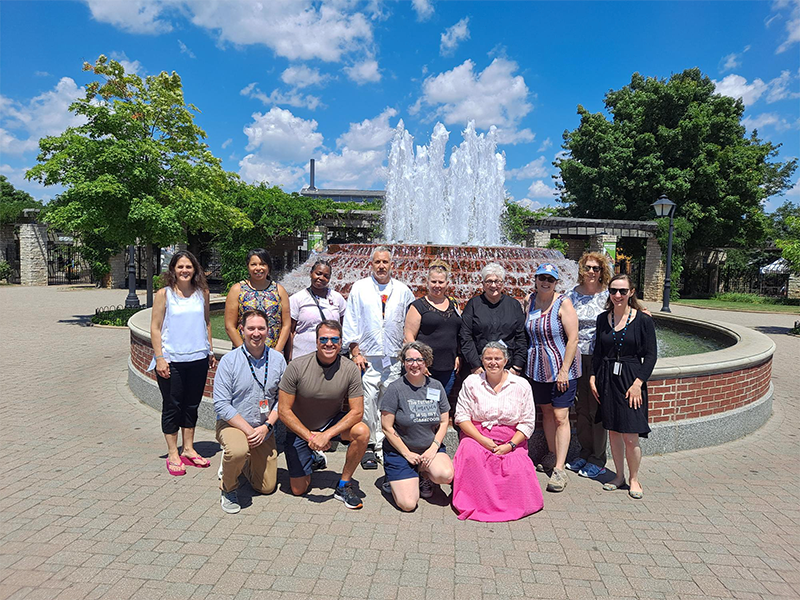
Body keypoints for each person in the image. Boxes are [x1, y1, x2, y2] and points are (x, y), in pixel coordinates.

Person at [278, 320, 371, 509]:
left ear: (341, 342)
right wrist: (311, 437)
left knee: (362, 431)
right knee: (298, 489)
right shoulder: (296, 366)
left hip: (330, 424)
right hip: (300, 429)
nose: (329, 343)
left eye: (334, 339)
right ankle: (314, 457)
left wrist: (326, 435)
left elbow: (357, 412)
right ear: (316, 341)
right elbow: (283, 411)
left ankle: (344, 485)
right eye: (324, 339)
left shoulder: (350, 369)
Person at [452, 342, 543, 522]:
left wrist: (510, 445)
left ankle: (512, 505)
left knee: (516, 465)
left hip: (512, 439)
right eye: (488, 358)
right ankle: (477, 503)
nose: (493, 362)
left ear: (506, 361)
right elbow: (461, 416)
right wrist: (483, 440)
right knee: (471, 455)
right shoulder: (471, 382)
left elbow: (527, 422)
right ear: (482, 361)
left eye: (497, 358)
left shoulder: (521, 385)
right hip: (477, 436)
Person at [343, 246, 414, 470]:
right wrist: (355, 352)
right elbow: (351, 320)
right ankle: (369, 445)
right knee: (367, 401)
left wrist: (408, 352)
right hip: (367, 356)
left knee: (389, 402)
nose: (381, 266)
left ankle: (386, 445)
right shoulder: (360, 288)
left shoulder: (403, 290)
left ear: (392, 265)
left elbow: (410, 322)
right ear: (371, 264)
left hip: (394, 355)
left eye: (385, 262)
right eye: (377, 262)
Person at [590, 274, 657, 500]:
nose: (617, 295)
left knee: (630, 435)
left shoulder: (643, 320)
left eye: (622, 291)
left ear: (631, 292)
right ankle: (618, 476)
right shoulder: (603, 319)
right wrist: (593, 376)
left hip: (631, 379)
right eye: (613, 291)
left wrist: (638, 383)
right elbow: (598, 351)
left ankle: (634, 478)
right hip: (607, 378)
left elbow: (651, 356)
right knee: (614, 432)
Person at [149, 250, 216, 476]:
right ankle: (172, 452)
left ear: (195, 269)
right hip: (172, 360)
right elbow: (155, 327)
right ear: (173, 270)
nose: (184, 270)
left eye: (188, 266)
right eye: (180, 267)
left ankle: (188, 448)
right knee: (172, 406)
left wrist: (210, 350)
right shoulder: (164, 294)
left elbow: (206, 322)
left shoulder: (202, 293)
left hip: (198, 359)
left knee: (191, 405)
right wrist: (160, 358)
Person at [213, 310, 286, 513]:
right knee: (237, 451)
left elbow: (283, 400)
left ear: (268, 331)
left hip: (263, 427)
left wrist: (267, 427)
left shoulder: (278, 360)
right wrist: (249, 431)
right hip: (233, 424)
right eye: (251, 328)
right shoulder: (229, 361)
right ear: (242, 330)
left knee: (266, 487)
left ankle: (240, 462)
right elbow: (221, 404)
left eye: (261, 328)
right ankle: (228, 488)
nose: (256, 333)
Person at [525, 263, 580, 493]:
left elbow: (573, 338)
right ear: (536, 279)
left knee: (560, 416)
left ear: (556, 282)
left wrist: (564, 370)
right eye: (542, 278)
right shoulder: (529, 301)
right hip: (537, 369)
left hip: (561, 370)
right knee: (546, 412)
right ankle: (552, 453)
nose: (545, 282)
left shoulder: (563, 303)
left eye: (550, 279)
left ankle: (559, 469)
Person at [380, 341, 453, 512]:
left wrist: (433, 448)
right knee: (408, 504)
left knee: (446, 475)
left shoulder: (436, 386)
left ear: (426, 362)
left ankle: (423, 473)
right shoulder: (395, 388)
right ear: (403, 362)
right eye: (409, 360)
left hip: (429, 448)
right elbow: (387, 427)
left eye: (419, 360)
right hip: (400, 451)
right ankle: (393, 477)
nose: (414, 364)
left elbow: (444, 422)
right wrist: (406, 453)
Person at [564, 252, 612, 479]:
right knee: (581, 408)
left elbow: (627, 309)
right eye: (587, 267)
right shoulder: (571, 295)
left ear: (602, 271)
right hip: (575, 356)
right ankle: (584, 452)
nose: (591, 272)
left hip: (599, 358)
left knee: (596, 407)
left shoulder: (609, 295)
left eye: (596, 268)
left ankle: (598, 458)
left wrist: (642, 311)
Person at [403, 260, 461, 394]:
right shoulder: (418, 306)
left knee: (441, 401)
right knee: (424, 402)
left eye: (441, 282)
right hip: (425, 368)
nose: (437, 285)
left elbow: (458, 333)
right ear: (427, 283)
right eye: (433, 282)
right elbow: (409, 336)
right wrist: (419, 362)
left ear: (447, 284)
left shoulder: (454, 304)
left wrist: (458, 355)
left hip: (448, 367)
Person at [460, 262, 527, 377]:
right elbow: (465, 336)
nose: (493, 285)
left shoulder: (514, 305)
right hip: (479, 368)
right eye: (489, 281)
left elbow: (521, 337)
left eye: (497, 281)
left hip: (508, 367)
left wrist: (517, 366)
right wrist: (475, 365)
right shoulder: (473, 305)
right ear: (483, 284)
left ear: (503, 283)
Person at [224, 249, 291, 353]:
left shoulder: (279, 290)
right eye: (253, 264)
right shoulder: (237, 290)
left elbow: (286, 325)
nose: (258, 268)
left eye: (262, 264)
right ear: (248, 266)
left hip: (272, 352)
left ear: (268, 266)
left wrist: (276, 352)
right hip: (243, 352)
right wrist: (244, 352)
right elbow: (230, 326)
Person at [289, 260, 347, 359]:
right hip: (303, 354)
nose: (321, 278)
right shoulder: (297, 299)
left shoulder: (337, 298)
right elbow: (290, 331)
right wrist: (289, 356)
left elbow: (344, 325)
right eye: (318, 273)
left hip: (330, 354)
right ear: (311, 273)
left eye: (326, 276)